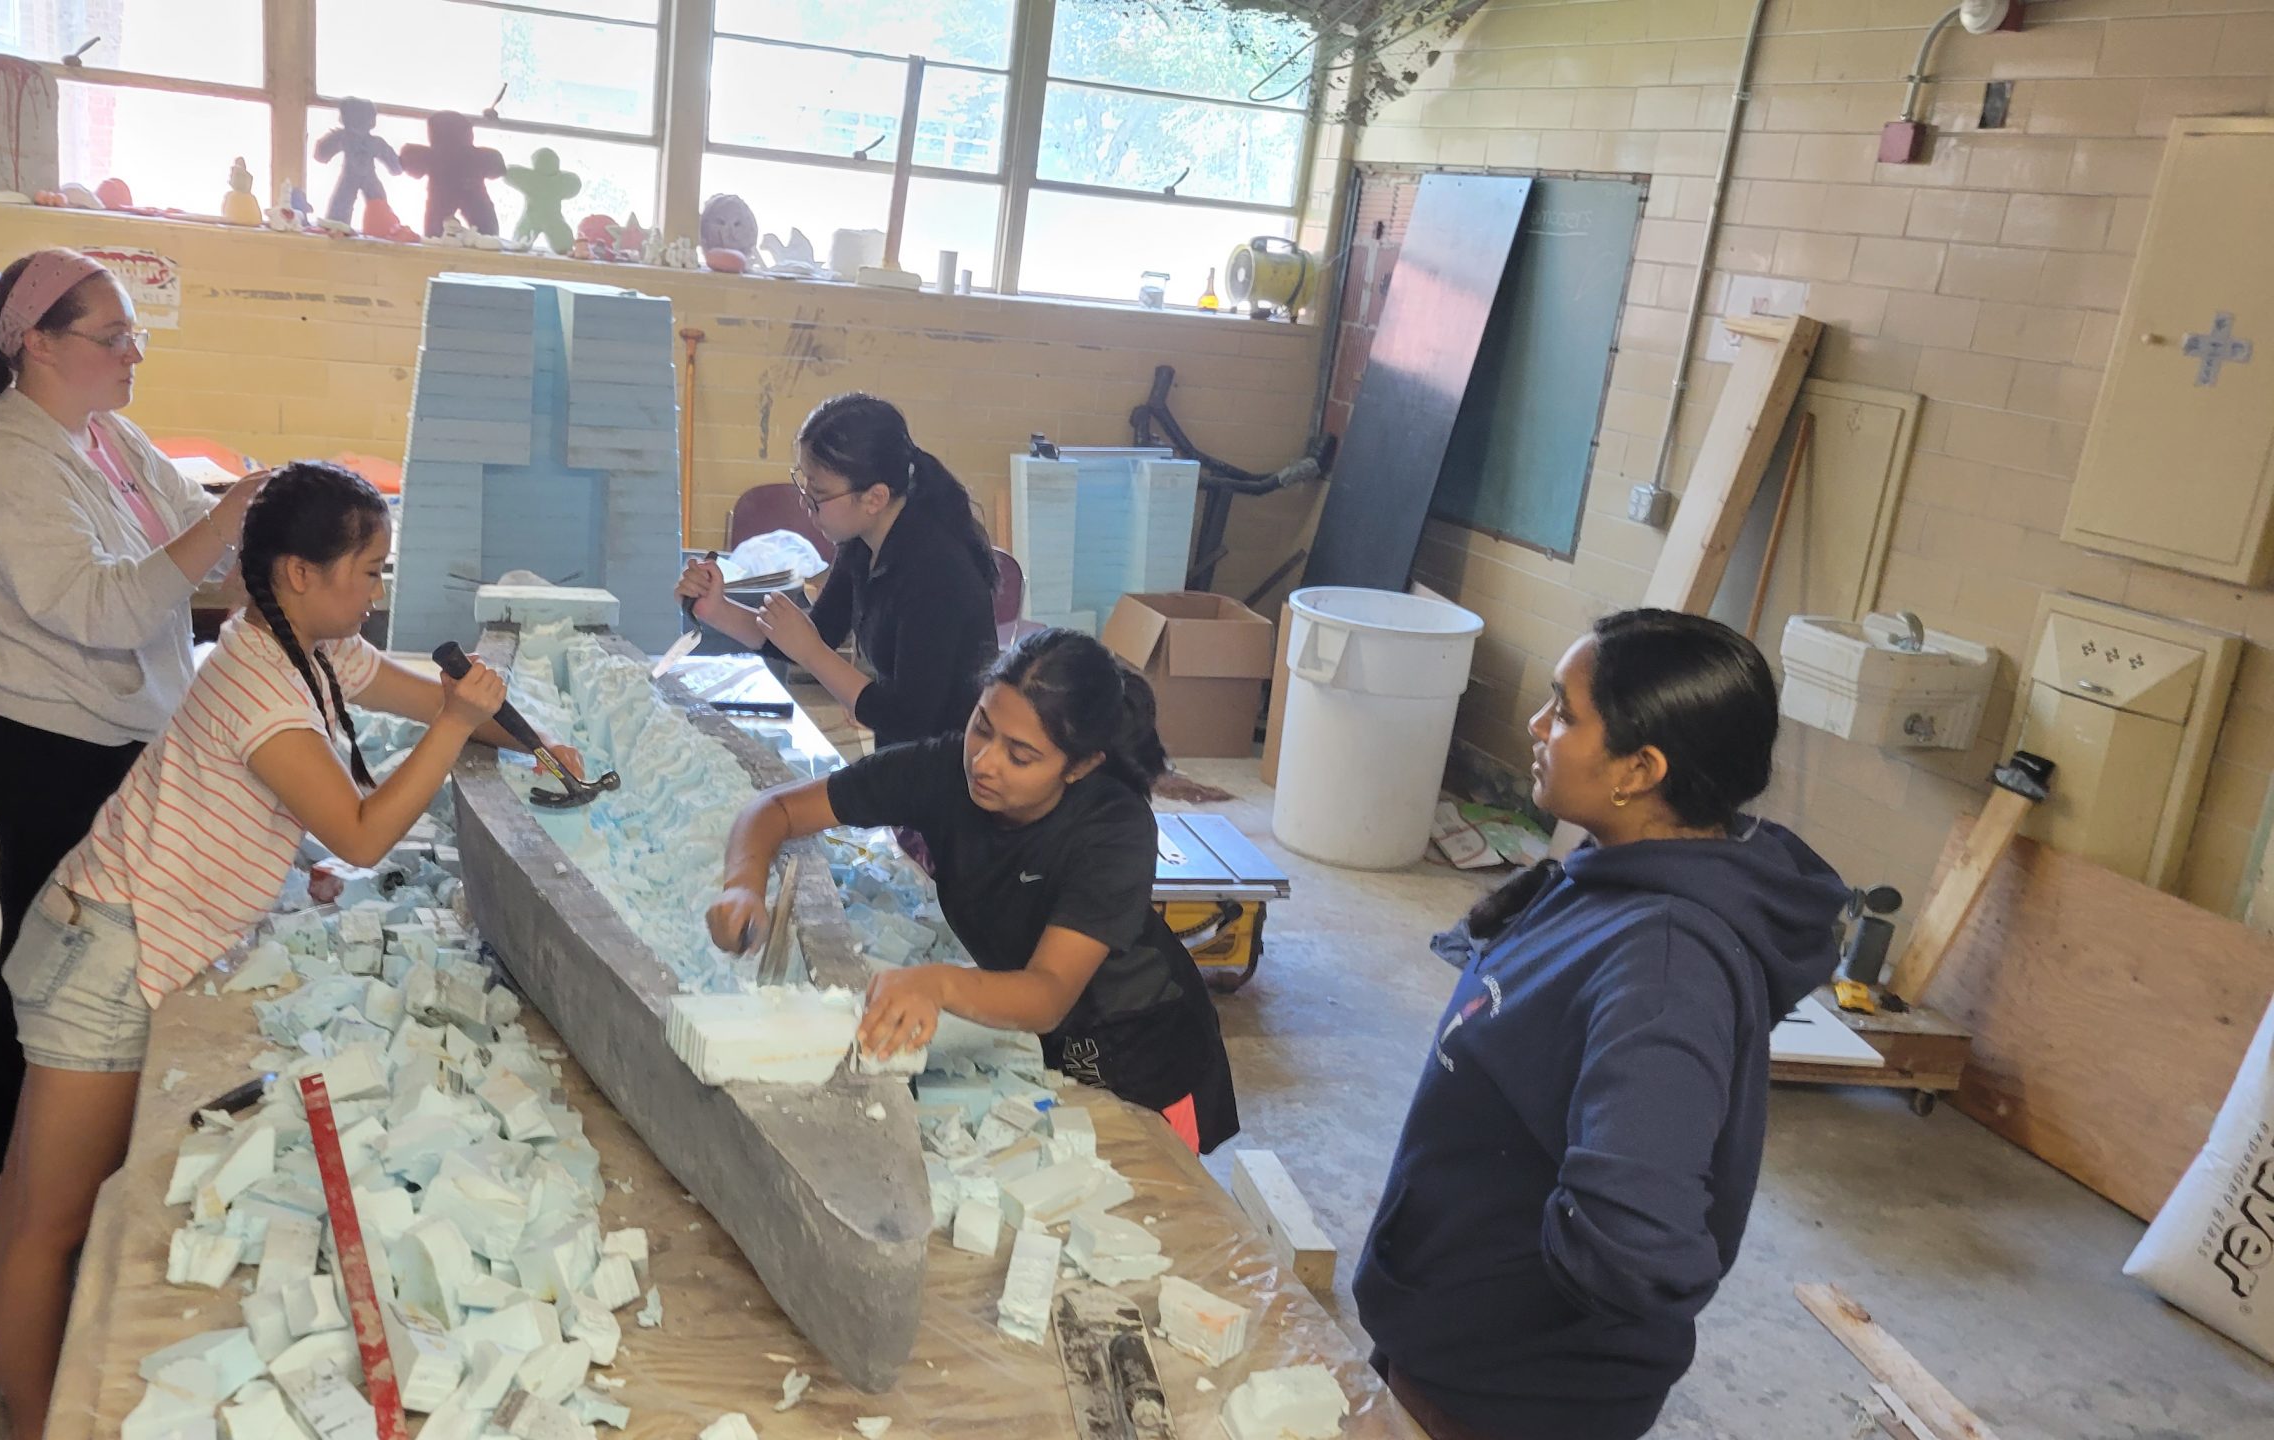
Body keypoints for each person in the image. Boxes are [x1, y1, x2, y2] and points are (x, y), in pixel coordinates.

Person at [0, 462, 583, 1438]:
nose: (379, 591)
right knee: (50, 1225)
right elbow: (359, 831)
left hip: (118, 930)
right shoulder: (259, 684)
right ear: (300, 572)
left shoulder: (309, 646)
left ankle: (18, 1351)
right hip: (108, 952)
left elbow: (421, 696)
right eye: (370, 571)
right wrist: (466, 722)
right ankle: (30, 1415)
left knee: (33, 1204)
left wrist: (531, 739)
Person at [1353, 610, 1848, 1440]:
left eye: (1565, 712)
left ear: (1640, 769)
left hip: (1506, 1392)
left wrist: (1496, 1308)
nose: (1538, 727)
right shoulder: (1610, 881)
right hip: (1446, 1341)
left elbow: (1638, 1239)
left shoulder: (1662, 965)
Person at [0, 248, 268, 1187]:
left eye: (135, 335)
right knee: (45, 954)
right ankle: (17, 1174)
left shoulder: (103, 434)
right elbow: (104, 608)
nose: (133, 355)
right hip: (52, 745)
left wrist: (264, 516)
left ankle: (87, 1142)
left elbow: (194, 523)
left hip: (126, 728)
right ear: (36, 343)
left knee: (109, 944)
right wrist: (227, 522)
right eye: (113, 336)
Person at [707, 628, 1238, 1153]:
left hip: (1146, 1048)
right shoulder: (944, 771)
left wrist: (937, 984)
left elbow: (1049, 991)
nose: (984, 763)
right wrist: (742, 886)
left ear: (1080, 767)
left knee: (1148, 1207)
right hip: (1042, 1033)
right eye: (982, 727)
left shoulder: (1114, 830)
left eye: (1021, 756)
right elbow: (776, 810)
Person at [676, 392, 998, 751]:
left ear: (874, 498)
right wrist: (717, 609)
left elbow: (908, 719)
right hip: (901, 757)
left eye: (818, 494)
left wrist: (812, 653)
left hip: (955, 768)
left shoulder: (936, 573)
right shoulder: (862, 542)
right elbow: (818, 634)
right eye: (804, 484)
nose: (805, 503)